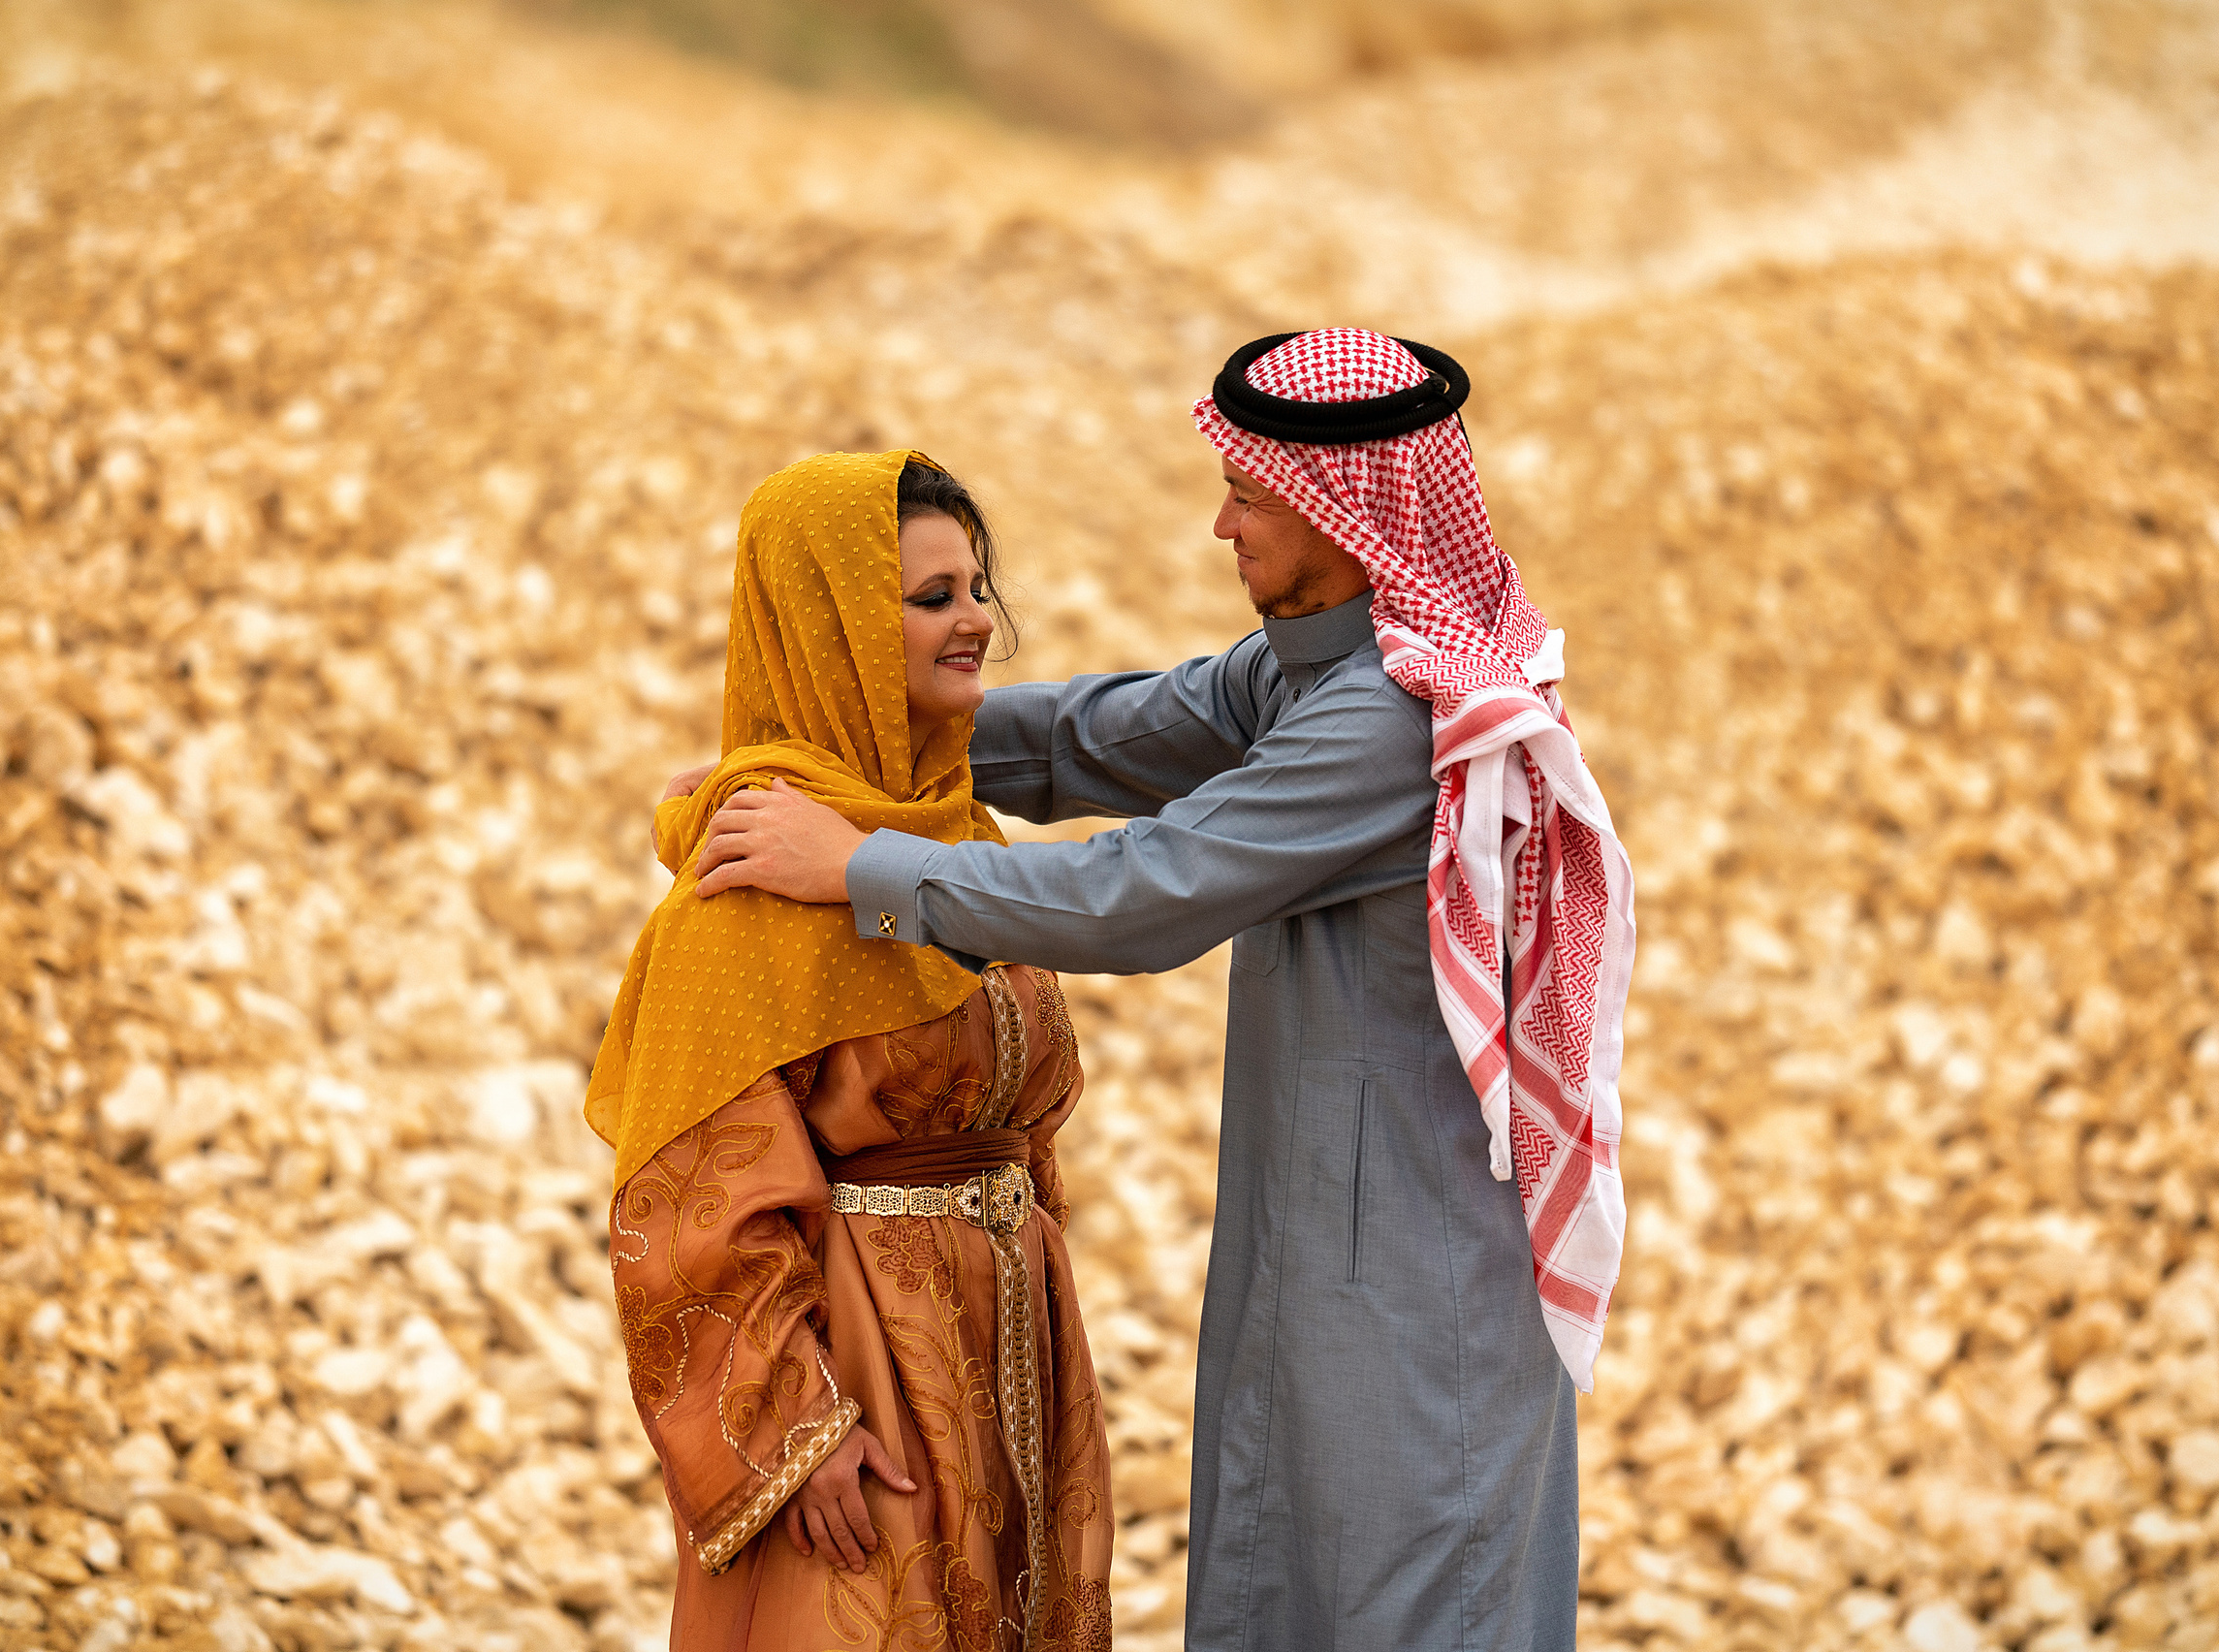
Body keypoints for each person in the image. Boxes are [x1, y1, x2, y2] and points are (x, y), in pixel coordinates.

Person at [682, 331, 1637, 1650]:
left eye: (1246, 495)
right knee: (1289, 1589)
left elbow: (1140, 895)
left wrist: (860, 865)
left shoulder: (1386, 722)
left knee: (1402, 1609)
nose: (1219, 523)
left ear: (1333, 514)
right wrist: (841, 737)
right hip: (1319, 1263)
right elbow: (1097, 738)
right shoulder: (1308, 668)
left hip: (1417, 1304)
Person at [587, 451, 1114, 1652]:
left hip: (1009, 1353)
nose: (977, 619)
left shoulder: (952, 839)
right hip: (862, 1370)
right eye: (932, 598)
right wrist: (795, 1434)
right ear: (828, 635)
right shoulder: (752, 881)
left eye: (976, 587)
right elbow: (693, 1203)